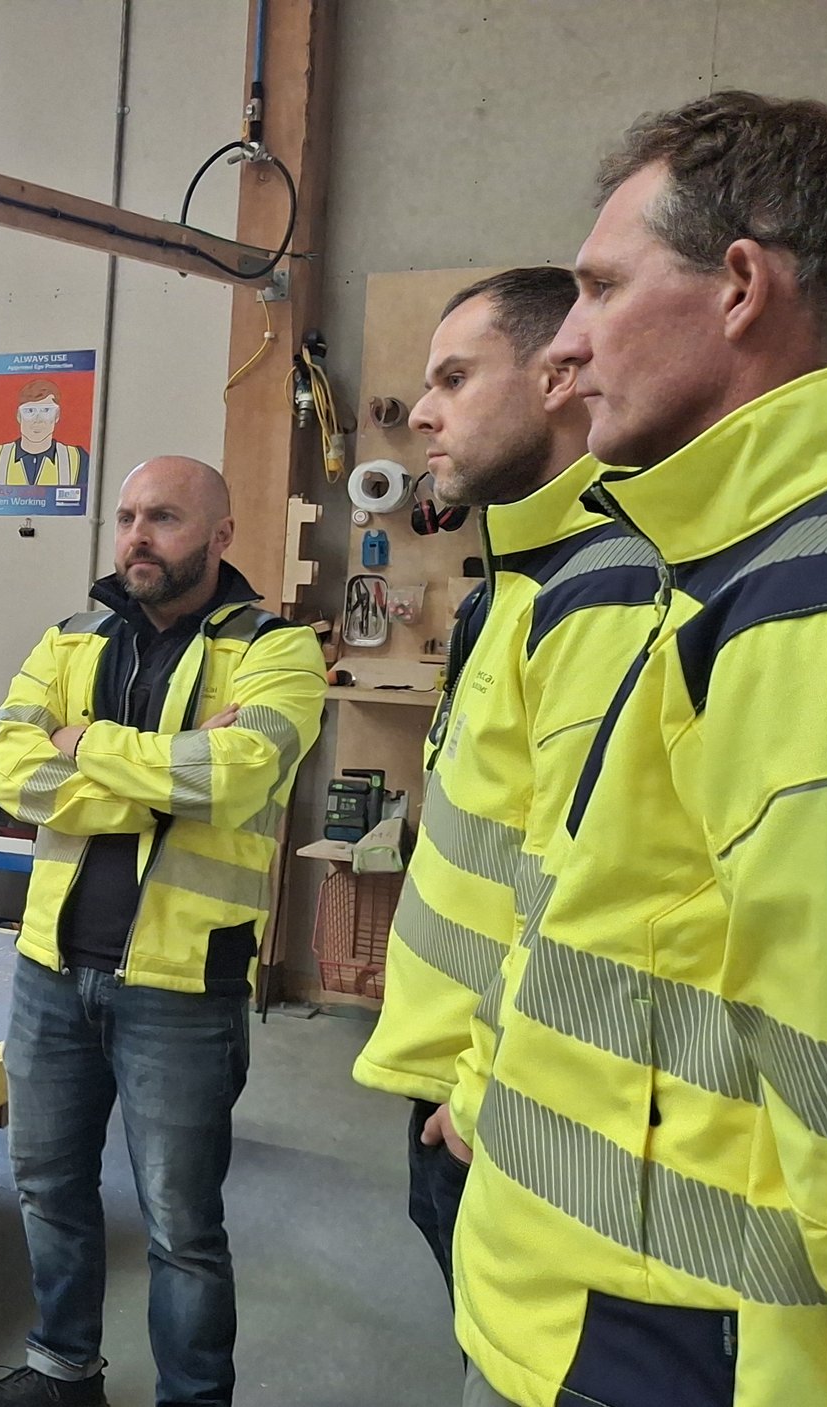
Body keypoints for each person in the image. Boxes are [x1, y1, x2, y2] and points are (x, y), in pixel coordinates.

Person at [449, 92, 827, 1406]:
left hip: (658, 1339)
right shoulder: (726, 567)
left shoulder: (806, 601)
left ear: (740, 287)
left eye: (602, 287)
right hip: (594, 1303)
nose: (566, 342)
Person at [0, 457, 326, 1407]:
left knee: (181, 1225)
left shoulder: (278, 651)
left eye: (163, 517)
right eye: (126, 516)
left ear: (220, 534)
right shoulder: (71, 636)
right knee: (46, 1186)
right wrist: (160, 784)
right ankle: (61, 1375)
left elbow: (238, 777)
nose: (137, 535)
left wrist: (86, 745)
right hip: (50, 965)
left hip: (181, 981)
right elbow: (11, 772)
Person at [346, 267, 660, 1294]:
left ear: (556, 379)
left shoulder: (601, 591)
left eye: (453, 376)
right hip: (460, 1084)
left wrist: (481, 1097)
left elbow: (591, 896)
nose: (424, 413)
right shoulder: (519, 581)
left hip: (497, 1106)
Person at [0, 379, 90, 487]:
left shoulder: (78, 459)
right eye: (30, 411)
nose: (38, 420)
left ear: (57, 415)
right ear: (19, 416)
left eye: (46, 410)